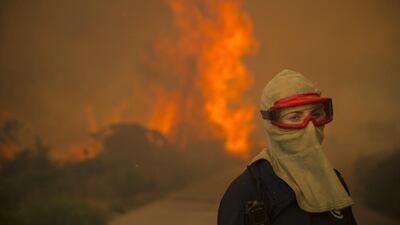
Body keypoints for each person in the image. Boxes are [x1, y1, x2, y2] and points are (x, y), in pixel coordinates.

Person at [217, 69, 358, 225]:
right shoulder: (247, 193)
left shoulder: (333, 183)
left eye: (316, 114)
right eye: (295, 117)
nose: (309, 128)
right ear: (272, 125)